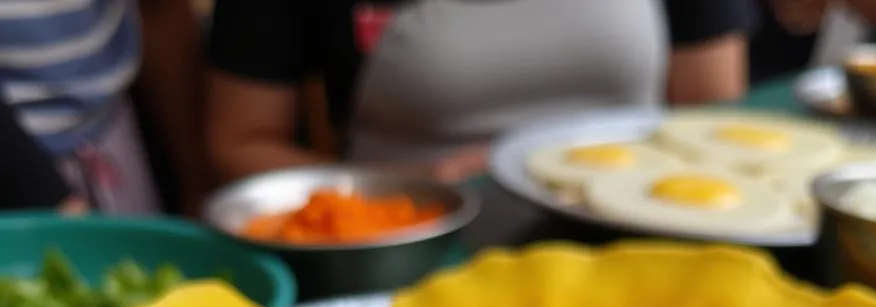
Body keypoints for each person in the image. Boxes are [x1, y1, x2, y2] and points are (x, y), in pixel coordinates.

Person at [205, 0, 761, 185]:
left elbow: (710, 113)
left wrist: (583, 174)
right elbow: (239, 141)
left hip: (635, 236)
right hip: (413, 253)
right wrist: (409, 190)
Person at [0, 0, 206, 215]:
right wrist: (47, 196)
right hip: (16, 179)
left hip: (112, 139)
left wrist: (195, 180)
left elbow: (160, 12)